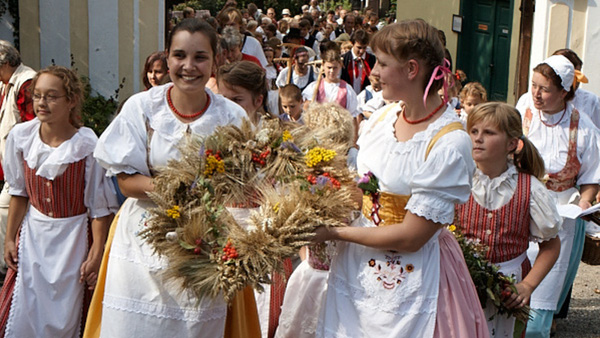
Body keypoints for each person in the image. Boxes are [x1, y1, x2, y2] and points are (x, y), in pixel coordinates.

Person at [314, 20, 488, 337]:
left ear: (411, 69)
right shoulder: (383, 116)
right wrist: (318, 201)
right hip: (356, 268)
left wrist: (335, 232)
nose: (373, 72)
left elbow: (411, 237)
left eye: (381, 63)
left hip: (411, 277)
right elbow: (365, 190)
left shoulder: (449, 143)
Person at [87, 19, 247, 338]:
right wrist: (181, 187)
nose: (189, 66)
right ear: (168, 58)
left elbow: (240, 183)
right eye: (179, 56)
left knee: (194, 327)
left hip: (204, 240)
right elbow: (125, 182)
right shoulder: (143, 107)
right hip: (141, 237)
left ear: (216, 60)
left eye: (200, 57)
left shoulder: (231, 116)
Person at [0, 65, 117, 337]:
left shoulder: (86, 144)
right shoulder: (21, 137)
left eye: (52, 96)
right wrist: (9, 238)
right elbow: (19, 192)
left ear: (71, 100)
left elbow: (99, 208)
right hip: (34, 238)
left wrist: (96, 253)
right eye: (38, 95)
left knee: (70, 311)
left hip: (74, 238)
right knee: (24, 308)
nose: (42, 102)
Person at [457, 102, 561, 338]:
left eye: (489, 133)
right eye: (473, 131)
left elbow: (551, 245)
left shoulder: (530, 188)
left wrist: (527, 285)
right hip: (460, 280)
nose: (478, 139)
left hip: (510, 285)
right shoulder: (458, 178)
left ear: (512, 144)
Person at [515, 55, 600, 338]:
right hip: (522, 206)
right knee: (512, 279)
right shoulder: (523, 110)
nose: (536, 94)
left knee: (545, 290)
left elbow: (590, 179)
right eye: (534, 85)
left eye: (545, 89)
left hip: (561, 214)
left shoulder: (583, 127)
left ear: (565, 92)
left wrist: (585, 201)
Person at [0, 40, 36, 278]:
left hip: (23, 165)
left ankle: (7, 268)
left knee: (6, 210)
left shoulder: (26, 82)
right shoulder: (7, 83)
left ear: (5, 63)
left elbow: (31, 124)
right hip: (9, 163)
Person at [302, 48, 358, 118]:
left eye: (335, 68)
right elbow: (305, 110)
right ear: (323, 65)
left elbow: (352, 115)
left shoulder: (347, 89)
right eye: (329, 67)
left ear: (340, 66)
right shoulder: (314, 87)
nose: (332, 71)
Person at [218, 60, 271, 125]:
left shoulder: (272, 133)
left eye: (236, 100)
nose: (229, 105)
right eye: (224, 99)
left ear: (258, 101)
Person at [341, 29, 376, 94]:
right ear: (352, 44)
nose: (362, 51)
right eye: (359, 48)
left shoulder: (372, 60)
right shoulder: (343, 59)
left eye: (364, 47)